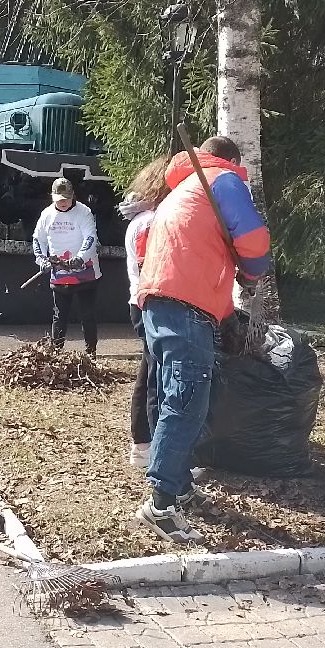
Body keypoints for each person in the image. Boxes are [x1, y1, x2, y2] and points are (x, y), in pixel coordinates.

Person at [135, 135, 270, 544]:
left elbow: (193, 254)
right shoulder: (223, 181)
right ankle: (160, 504)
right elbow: (253, 239)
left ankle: (177, 485)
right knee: (187, 400)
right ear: (230, 159)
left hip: (160, 302)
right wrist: (253, 270)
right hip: (186, 305)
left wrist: (226, 314)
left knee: (169, 393)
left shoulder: (181, 190)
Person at [118, 156, 171, 467]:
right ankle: (146, 445)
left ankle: (144, 444)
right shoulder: (149, 223)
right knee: (153, 376)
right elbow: (148, 265)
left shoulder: (145, 219)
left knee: (149, 372)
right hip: (149, 303)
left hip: (145, 302)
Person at [32, 177, 102, 355]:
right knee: (60, 314)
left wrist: (80, 258)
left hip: (85, 271)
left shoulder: (83, 212)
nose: (63, 202)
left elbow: (90, 237)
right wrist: (42, 260)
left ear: (73, 196)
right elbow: (38, 239)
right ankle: (56, 351)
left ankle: (90, 351)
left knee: (87, 314)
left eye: (66, 198)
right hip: (59, 272)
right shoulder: (47, 214)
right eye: (59, 199)